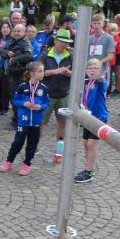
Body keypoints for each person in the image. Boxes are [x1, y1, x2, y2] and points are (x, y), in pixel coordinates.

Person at [0, 62, 49, 175]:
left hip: (36, 122)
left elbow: (47, 103)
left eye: (43, 71)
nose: (43, 73)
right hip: (23, 121)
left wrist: (41, 107)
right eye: (40, 71)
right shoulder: (22, 87)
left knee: (32, 145)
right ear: (31, 73)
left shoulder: (43, 88)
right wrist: (24, 103)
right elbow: (15, 100)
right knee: (17, 143)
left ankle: (27, 164)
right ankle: (9, 162)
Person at [41, 29, 74, 163]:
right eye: (61, 41)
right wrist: (55, 71)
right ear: (55, 41)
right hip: (47, 94)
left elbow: (77, 74)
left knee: (62, 124)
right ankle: (33, 147)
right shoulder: (45, 55)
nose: (63, 44)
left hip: (63, 95)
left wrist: (69, 73)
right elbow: (39, 73)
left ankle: (59, 152)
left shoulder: (71, 56)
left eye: (66, 42)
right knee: (41, 123)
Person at [74, 59, 108, 183]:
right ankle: (89, 168)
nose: (93, 70)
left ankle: (89, 172)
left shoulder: (100, 82)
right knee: (85, 143)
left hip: (99, 118)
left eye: (96, 68)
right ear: (86, 70)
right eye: (90, 68)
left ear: (100, 70)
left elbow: (102, 81)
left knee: (91, 144)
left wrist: (99, 77)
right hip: (87, 117)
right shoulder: (85, 82)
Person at [0, 24, 33, 129]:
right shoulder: (12, 41)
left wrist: (14, 59)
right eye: (15, 31)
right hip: (12, 73)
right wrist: (8, 53)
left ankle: (18, 122)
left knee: (17, 97)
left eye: (19, 31)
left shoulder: (25, 43)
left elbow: (29, 55)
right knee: (13, 97)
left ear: (24, 32)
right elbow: (0, 50)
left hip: (20, 75)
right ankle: (15, 120)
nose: (16, 33)